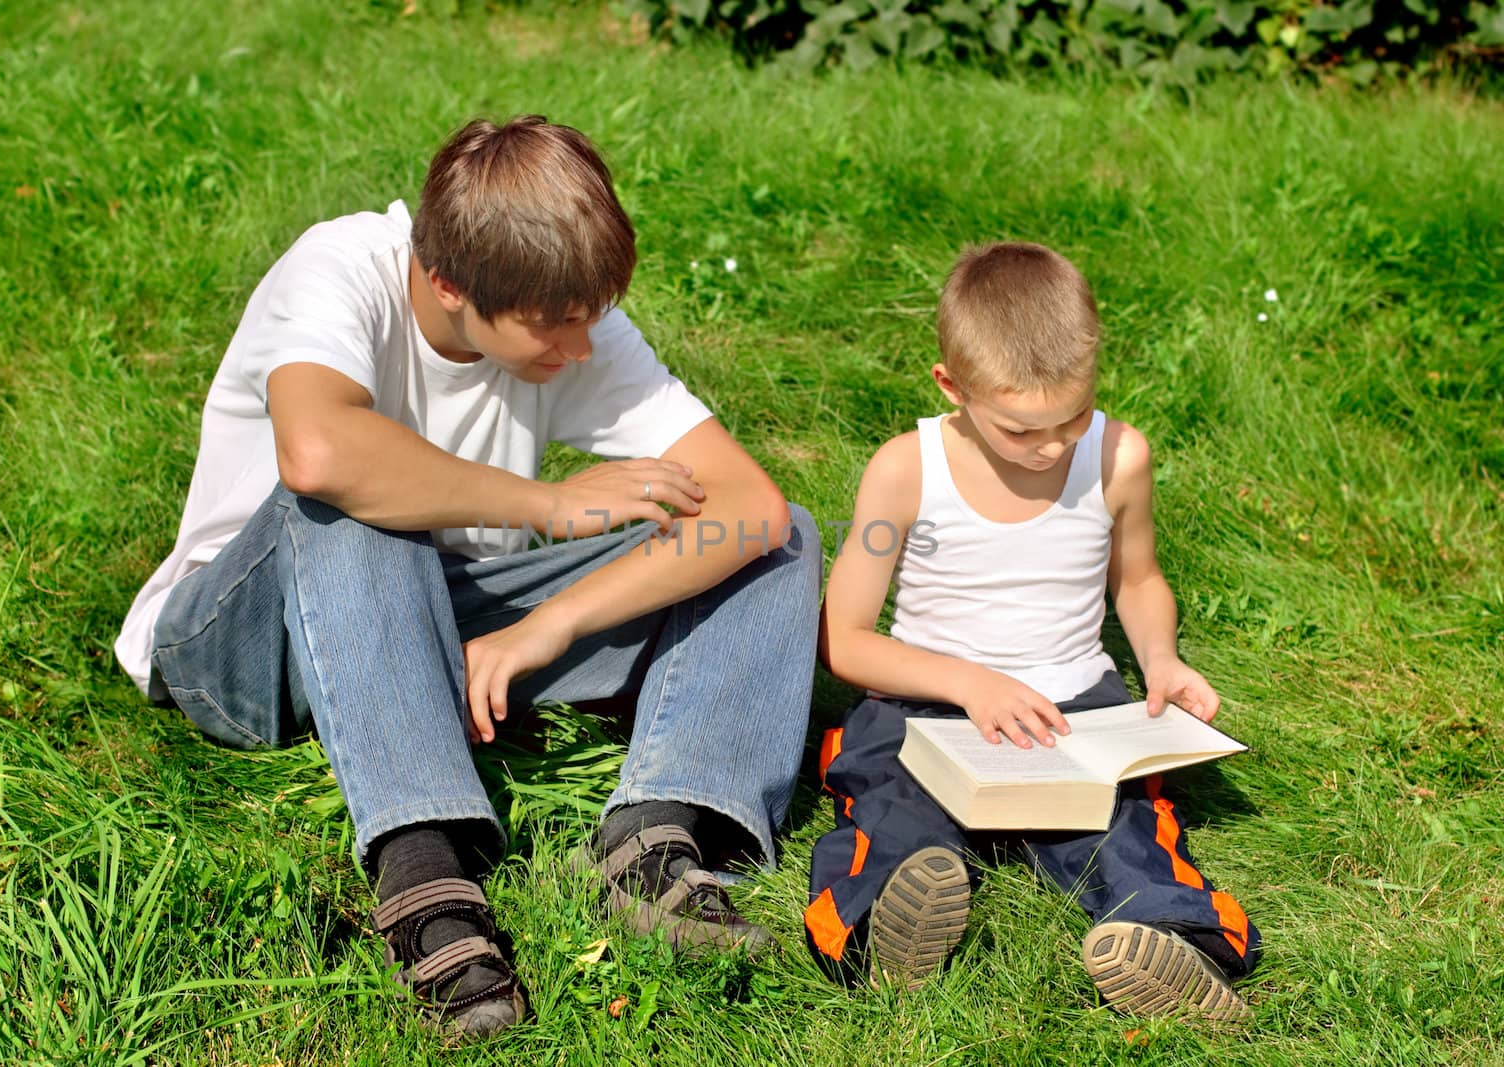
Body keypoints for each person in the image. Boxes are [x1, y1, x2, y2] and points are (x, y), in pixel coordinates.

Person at [115, 115, 821, 1041]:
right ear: (447, 281)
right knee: (352, 494)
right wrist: (548, 504)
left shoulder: (563, 311)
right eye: (552, 328)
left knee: (784, 537)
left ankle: (655, 832)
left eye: (590, 318)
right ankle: (424, 869)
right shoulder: (339, 267)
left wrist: (549, 625)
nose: (577, 349)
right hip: (242, 644)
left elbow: (747, 503)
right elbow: (320, 453)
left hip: (445, 621)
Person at [804, 242, 1257, 1020]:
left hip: (1073, 705)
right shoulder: (905, 469)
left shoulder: (1118, 456)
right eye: (1021, 429)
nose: (1052, 445)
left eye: (1073, 416)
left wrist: (1161, 658)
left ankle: (1173, 941)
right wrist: (969, 681)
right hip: (927, 702)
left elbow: (1138, 579)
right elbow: (844, 639)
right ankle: (886, 927)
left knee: (1123, 823)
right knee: (892, 805)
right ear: (952, 384)